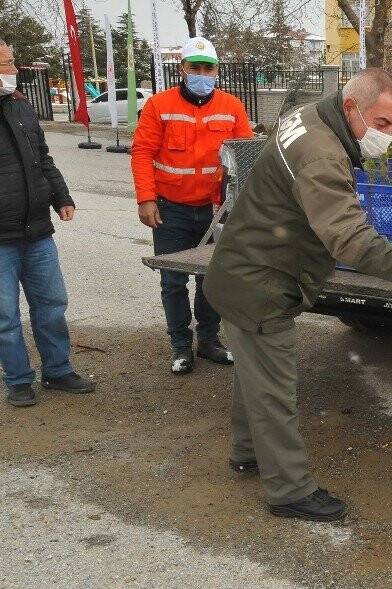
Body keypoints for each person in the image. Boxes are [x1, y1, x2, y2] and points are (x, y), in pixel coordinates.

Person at [203, 68, 392, 522]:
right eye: (381, 124)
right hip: (260, 281)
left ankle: (247, 452)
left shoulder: (310, 116)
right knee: (274, 387)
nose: (387, 136)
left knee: (254, 371)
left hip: (242, 265)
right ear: (351, 108)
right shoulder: (323, 155)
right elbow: (353, 243)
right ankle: (289, 489)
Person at [131, 36, 255, 375]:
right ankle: (180, 346)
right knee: (173, 280)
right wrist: (146, 198)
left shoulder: (231, 107)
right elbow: (142, 153)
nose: (202, 74)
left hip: (217, 209)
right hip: (171, 209)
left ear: (216, 71)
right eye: (195, 67)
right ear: (182, 69)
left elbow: (246, 153)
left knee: (211, 279)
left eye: (208, 68)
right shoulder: (159, 105)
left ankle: (209, 341)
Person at [0, 39, 95, 407]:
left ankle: (57, 370)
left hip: (37, 230)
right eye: (6, 64)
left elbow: (43, 157)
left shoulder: (21, 106)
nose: (13, 71)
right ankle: (19, 379)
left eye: (11, 62)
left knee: (51, 304)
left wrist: (62, 196)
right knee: (5, 317)